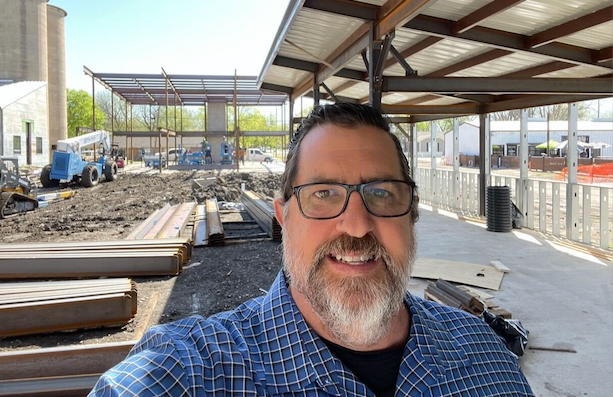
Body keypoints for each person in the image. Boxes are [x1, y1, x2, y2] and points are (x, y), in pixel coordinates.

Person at [89, 103, 533, 397]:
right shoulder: (189, 371)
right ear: (283, 219)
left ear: (412, 214)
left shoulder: (487, 356)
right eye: (323, 194)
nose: (357, 225)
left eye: (382, 193)